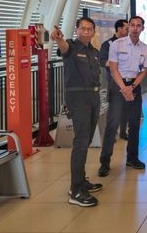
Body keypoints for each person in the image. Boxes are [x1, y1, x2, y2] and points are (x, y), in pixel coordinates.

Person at [50, 17, 102, 208]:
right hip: (78, 99)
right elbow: (63, 47)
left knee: (86, 140)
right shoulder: (71, 46)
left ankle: (80, 181)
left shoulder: (94, 52)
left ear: (93, 31)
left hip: (94, 98)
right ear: (77, 30)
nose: (86, 32)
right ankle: (76, 190)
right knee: (80, 142)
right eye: (82, 29)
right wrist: (58, 38)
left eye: (89, 29)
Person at [98, 16, 147, 177]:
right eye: (132, 25)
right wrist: (124, 88)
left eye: (138, 26)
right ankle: (105, 162)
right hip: (118, 85)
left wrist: (132, 87)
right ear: (128, 28)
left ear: (142, 28)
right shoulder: (116, 44)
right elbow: (113, 69)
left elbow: (143, 70)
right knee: (112, 125)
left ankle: (132, 158)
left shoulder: (144, 48)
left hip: (134, 86)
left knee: (134, 124)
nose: (134, 28)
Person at [99, 19, 129, 139]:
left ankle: (123, 132)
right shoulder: (107, 44)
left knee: (126, 107)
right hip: (114, 82)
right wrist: (117, 63)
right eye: (126, 28)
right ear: (119, 29)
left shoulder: (129, 43)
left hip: (128, 80)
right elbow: (102, 61)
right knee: (114, 109)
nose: (129, 31)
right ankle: (111, 133)